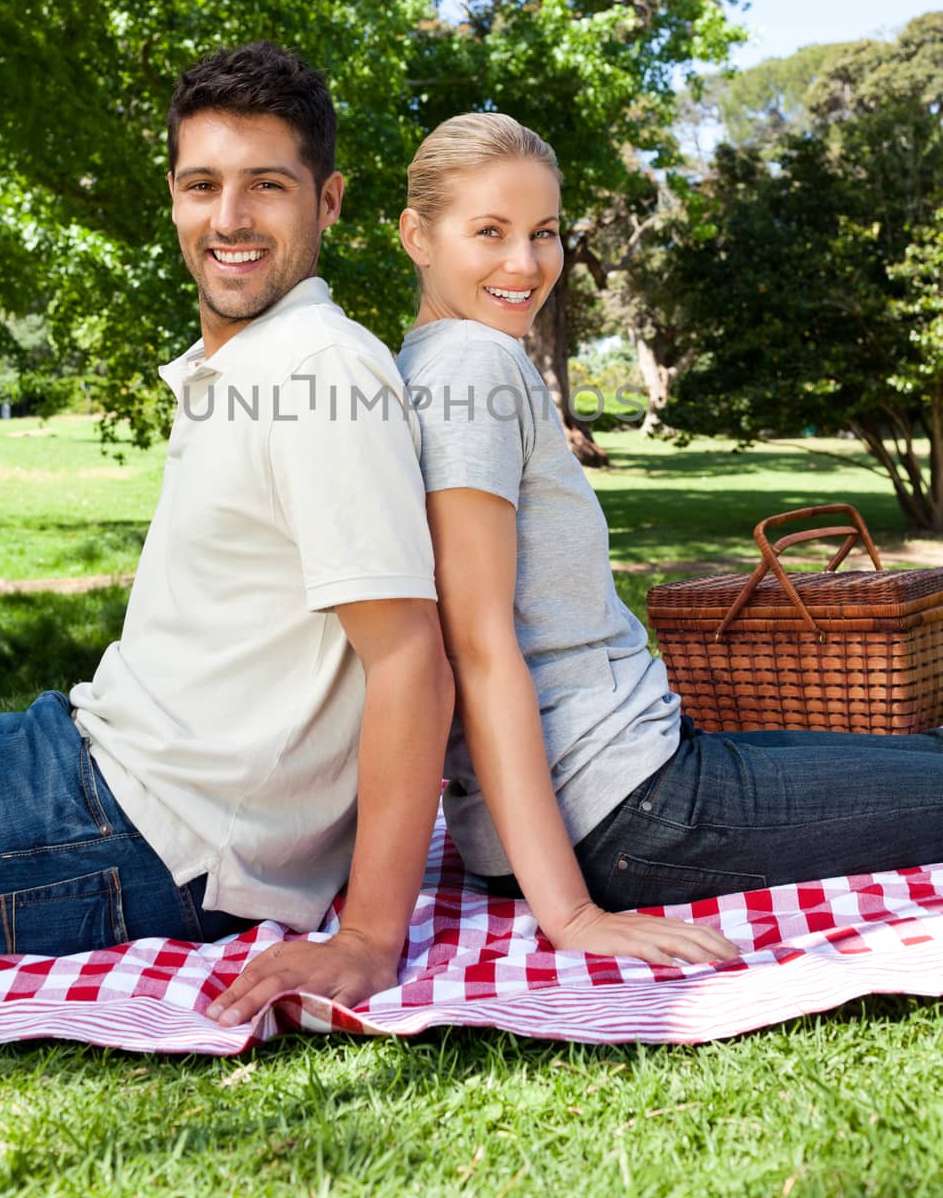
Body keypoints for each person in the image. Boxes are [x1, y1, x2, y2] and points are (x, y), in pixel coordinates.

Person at [0, 42, 453, 1028]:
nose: (228, 218)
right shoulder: (249, 360)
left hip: (156, 835)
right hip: (88, 748)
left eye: (266, 185)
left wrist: (367, 935)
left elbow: (409, 659)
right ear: (175, 196)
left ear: (329, 201)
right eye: (202, 185)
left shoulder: (321, 373)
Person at [395, 111, 943, 967]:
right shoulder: (474, 367)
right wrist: (571, 916)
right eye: (489, 232)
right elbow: (475, 647)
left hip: (634, 778)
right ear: (416, 236)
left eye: (543, 233)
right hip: (626, 813)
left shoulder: (425, 363)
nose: (524, 263)